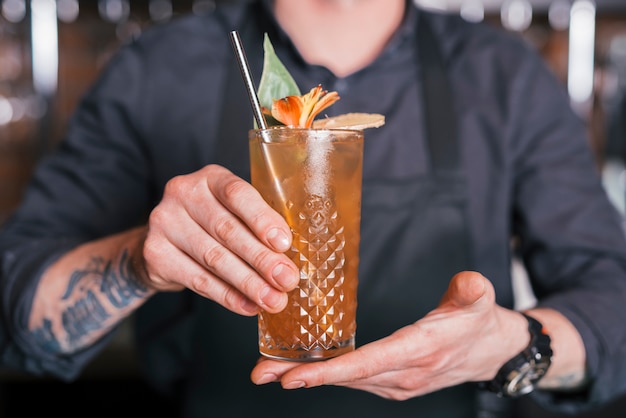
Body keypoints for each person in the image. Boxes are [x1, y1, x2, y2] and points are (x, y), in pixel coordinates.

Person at [2, 0, 626, 417]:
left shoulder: (504, 76)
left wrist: (510, 343)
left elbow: (614, 301)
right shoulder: (157, 71)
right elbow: (16, 313)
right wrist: (136, 259)